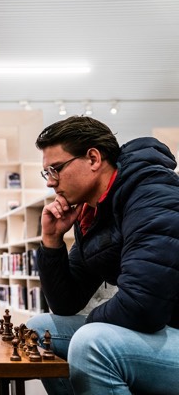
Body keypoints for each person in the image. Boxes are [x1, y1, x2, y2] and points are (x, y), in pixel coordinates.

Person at [26, 115, 179, 394]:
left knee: (91, 343)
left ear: (94, 159)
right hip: (162, 329)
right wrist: (52, 241)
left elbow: (143, 304)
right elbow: (66, 303)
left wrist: (88, 327)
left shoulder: (152, 194)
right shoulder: (95, 212)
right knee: (38, 329)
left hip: (168, 326)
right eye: (47, 173)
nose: (51, 182)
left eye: (55, 169)